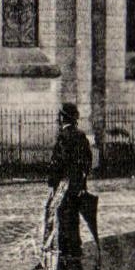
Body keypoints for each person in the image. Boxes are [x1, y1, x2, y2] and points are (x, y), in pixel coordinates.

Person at [47, 103, 93, 256]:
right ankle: (75, 246)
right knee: (74, 214)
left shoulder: (63, 136)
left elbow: (58, 162)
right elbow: (88, 159)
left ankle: (65, 247)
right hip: (77, 182)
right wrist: (82, 177)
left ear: (63, 117)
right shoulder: (80, 135)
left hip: (64, 183)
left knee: (63, 214)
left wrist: (53, 181)